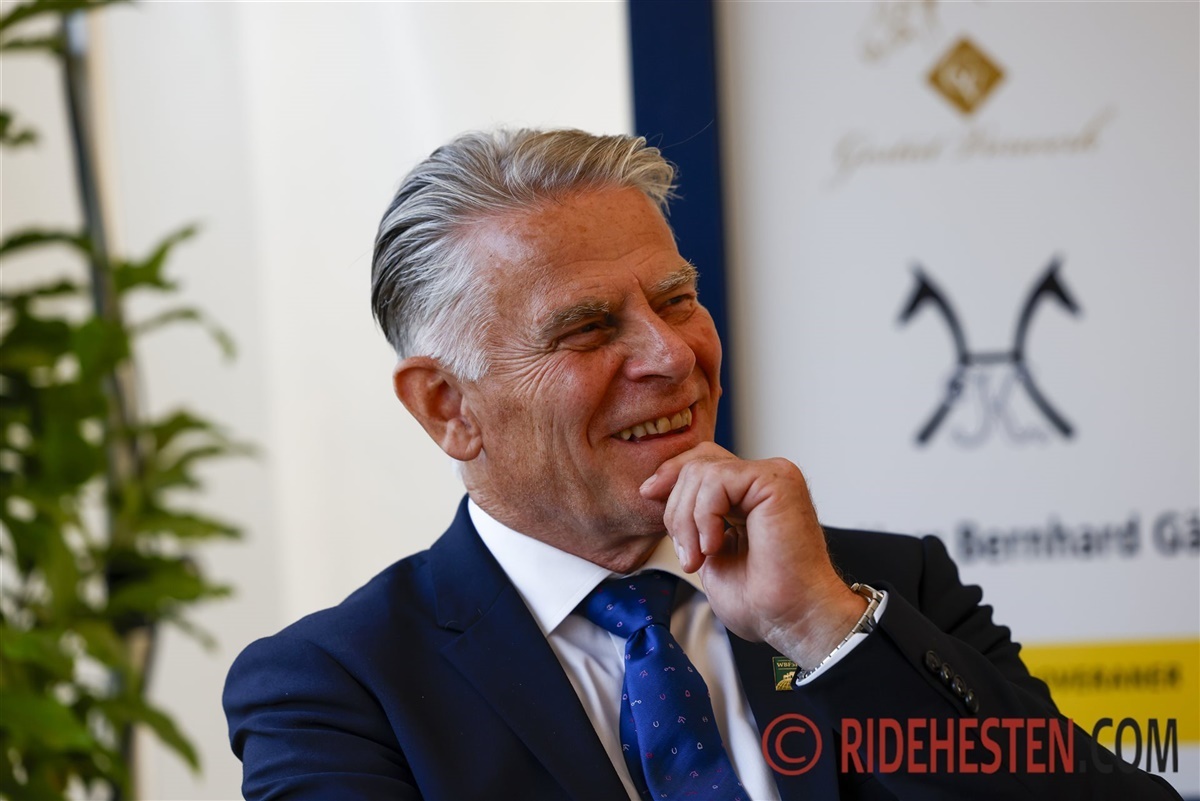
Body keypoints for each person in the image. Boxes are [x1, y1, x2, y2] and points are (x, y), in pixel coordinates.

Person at [223, 128, 1180, 800]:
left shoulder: (884, 591)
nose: (672, 354)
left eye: (676, 299)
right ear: (448, 406)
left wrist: (822, 626)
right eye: (589, 327)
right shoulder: (335, 688)